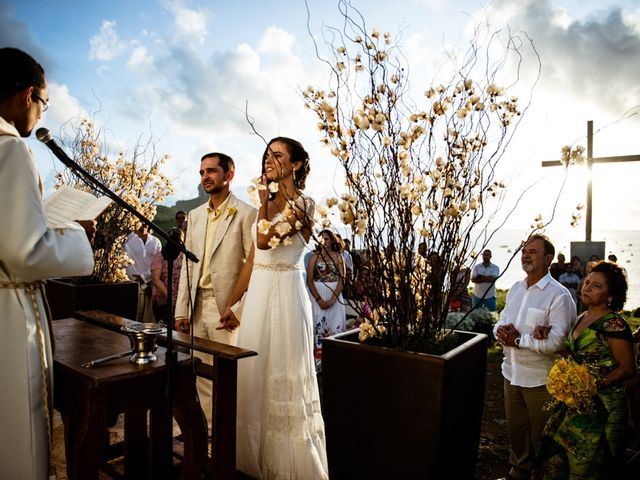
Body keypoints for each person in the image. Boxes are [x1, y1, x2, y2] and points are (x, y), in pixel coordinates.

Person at [0, 47, 96, 480]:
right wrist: (76, 233)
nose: (40, 113)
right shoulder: (11, 149)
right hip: (8, 315)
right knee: (17, 438)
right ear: (26, 96)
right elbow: (24, 253)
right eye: (43, 102)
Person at [221, 137, 328, 479]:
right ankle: (248, 459)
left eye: (278, 155)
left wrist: (265, 197)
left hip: (285, 293)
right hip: (259, 295)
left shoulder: (304, 205)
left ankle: (286, 463)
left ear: (295, 164)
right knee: (252, 372)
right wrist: (233, 302)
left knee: (280, 371)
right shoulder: (264, 205)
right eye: (267, 155)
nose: (269, 160)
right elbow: (254, 258)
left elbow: (267, 238)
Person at [174, 152, 256, 432]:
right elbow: (188, 263)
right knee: (200, 374)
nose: (205, 177)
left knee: (228, 376)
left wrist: (239, 310)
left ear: (229, 175)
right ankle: (207, 436)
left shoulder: (247, 214)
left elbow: (254, 266)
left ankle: (229, 436)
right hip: (197, 305)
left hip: (225, 310)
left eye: (211, 171)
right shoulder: (195, 216)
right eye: (201, 173)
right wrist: (181, 310)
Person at [539, 261, 636, 479]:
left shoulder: (614, 324)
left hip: (603, 410)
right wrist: (547, 331)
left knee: (588, 469)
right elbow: (573, 352)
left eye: (596, 286)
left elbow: (628, 368)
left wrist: (593, 384)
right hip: (575, 404)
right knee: (555, 461)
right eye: (587, 282)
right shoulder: (582, 317)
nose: (587, 288)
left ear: (611, 295)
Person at [493, 234, 576, 480]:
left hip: (542, 379)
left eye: (533, 251)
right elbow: (502, 319)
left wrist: (519, 340)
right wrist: (499, 331)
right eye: (524, 250)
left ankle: (543, 475)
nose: (526, 255)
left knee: (543, 436)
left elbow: (558, 341)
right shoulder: (516, 289)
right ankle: (518, 473)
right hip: (511, 373)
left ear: (548, 259)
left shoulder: (559, 295)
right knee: (516, 431)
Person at [307, 229, 347, 372]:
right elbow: (309, 280)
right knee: (318, 327)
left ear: (332, 240)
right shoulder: (314, 257)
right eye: (321, 239)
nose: (324, 242)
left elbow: (342, 280)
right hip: (317, 295)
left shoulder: (339, 257)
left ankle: (335, 363)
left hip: (334, 296)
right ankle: (317, 363)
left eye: (327, 239)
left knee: (334, 326)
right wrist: (318, 299)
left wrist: (332, 300)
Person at [124, 224, 161, 322]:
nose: (142, 224)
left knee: (150, 317)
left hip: (152, 282)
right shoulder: (129, 239)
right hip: (134, 281)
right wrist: (139, 279)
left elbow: (158, 262)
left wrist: (145, 278)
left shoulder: (155, 241)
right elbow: (126, 260)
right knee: (136, 315)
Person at [150, 227, 184, 325]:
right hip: (164, 300)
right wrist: (170, 297)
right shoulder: (160, 256)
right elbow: (155, 279)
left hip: (181, 300)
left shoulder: (184, 255)